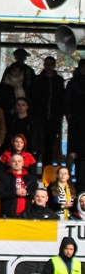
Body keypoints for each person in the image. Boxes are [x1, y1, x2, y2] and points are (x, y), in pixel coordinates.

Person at [31, 56, 66, 166]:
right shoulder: (38, 80)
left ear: (54, 65)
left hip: (54, 118)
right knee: (36, 145)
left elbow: (62, 99)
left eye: (51, 64)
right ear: (44, 65)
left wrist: (60, 114)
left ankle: (47, 173)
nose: (49, 66)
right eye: (47, 63)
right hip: (40, 118)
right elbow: (33, 98)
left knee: (49, 146)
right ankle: (32, 171)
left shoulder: (59, 80)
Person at [0, 153, 37, 219]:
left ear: (23, 163)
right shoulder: (4, 177)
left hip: (27, 215)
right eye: (14, 161)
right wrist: (15, 193)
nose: (17, 163)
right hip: (8, 214)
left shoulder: (30, 178)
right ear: (10, 163)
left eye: (19, 161)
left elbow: (35, 194)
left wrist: (27, 193)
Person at [66, 59, 85, 189]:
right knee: (80, 163)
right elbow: (67, 103)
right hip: (78, 123)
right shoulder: (73, 84)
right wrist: (69, 116)